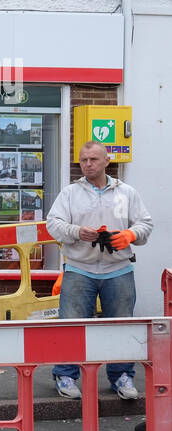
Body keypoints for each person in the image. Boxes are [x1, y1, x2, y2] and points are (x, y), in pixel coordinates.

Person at [45, 140, 153, 400]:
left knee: (121, 326)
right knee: (71, 326)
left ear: (107, 161)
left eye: (93, 159)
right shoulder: (70, 193)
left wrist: (129, 234)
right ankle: (66, 374)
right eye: (83, 160)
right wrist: (77, 232)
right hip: (79, 269)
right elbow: (53, 223)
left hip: (118, 270)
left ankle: (122, 376)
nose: (88, 164)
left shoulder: (127, 192)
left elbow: (145, 224)